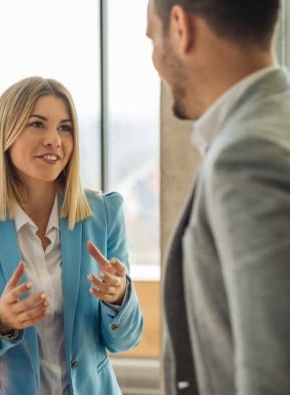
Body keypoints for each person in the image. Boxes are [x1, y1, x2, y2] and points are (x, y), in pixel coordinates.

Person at [0, 76, 144, 394]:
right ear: (5, 134)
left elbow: (124, 339)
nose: (54, 140)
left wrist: (119, 298)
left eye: (65, 127)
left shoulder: (103, 214)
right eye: (37, 124)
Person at [146, 0, 290, 393]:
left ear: (180, 27)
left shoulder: (247, 155)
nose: (155, 60)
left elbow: (273, 368)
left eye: (152, 40)